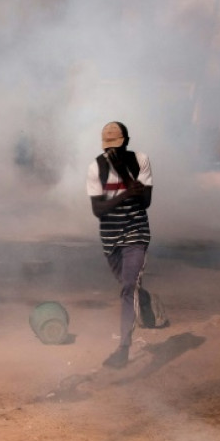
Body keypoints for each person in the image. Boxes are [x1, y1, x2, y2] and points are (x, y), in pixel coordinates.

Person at [85, 121, 153, 369]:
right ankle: (142, 297)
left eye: (118, 145)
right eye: (109, 147)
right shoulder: (96, 167)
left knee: (127, 287)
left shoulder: (140, 161)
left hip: (136, 233)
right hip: (111, 238)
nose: (113, 151)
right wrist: (126, 193)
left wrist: (133, 184)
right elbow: (98, 209)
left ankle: (123, 348)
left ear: (127, 141)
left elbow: (145, 202)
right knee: (128, 286)